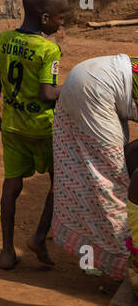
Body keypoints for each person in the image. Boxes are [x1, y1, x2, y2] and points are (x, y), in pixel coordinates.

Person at [0, 0, 69, 269]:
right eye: (60, 19)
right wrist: (69, 86)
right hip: (43, 129)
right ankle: (38, 236)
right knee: (59, 181)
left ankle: (7, 250)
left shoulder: (2, 41)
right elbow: (47, 94)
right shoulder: (48, 49)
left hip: (11, 125)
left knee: (11, 184)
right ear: (45, 18)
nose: (62, 24)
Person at [52, 53, 138, 278]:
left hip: (85, 77)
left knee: (84, 177)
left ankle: (90, 259)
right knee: (110, 185)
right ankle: (124, 263)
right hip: (95, 92)